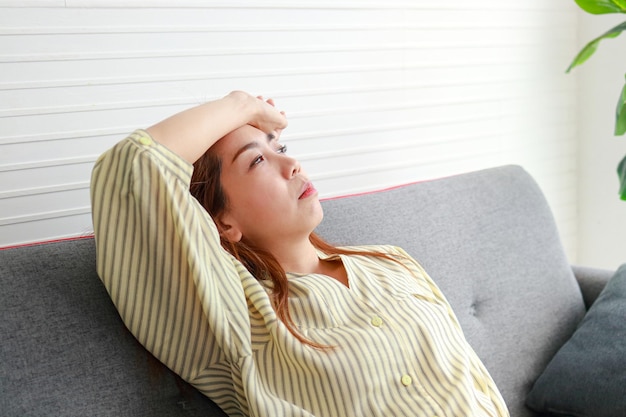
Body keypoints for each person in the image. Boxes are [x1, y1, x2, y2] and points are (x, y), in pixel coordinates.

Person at [91, 91, 509, 417]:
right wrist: (242, 105)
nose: (291, 166)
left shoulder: (392, 262)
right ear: (223, 223)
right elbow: (133, 165)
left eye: (282, 148)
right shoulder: (237, 313)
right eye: (257, 162)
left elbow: (476, 384)